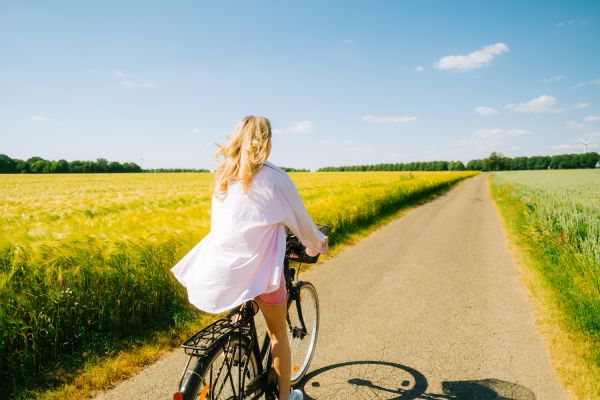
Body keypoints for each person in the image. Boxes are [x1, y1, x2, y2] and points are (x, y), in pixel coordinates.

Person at [171, 115, 328, 400]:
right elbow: (304, 227)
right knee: (279, 334)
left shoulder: (223, 176)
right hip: (260, 274)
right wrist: (317, 245)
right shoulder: (276, 179)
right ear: (266, 141)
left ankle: (237, 344)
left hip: (219, 270)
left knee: (243, 308)